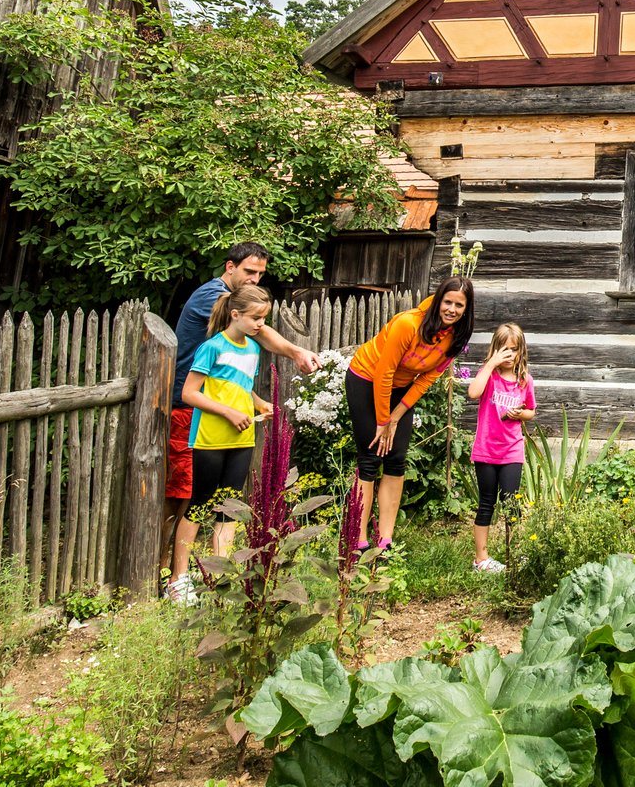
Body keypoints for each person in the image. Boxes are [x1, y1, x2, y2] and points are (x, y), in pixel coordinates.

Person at [164, 242, 318, 583]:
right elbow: (258, 335)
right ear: (229, 266)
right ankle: (172, 575)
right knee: (187, 496)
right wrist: (294, 351)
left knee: (222, 501)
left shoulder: (244, 340)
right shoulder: (215, 301)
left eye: (261, 274)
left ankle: (214, 576)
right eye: (249, 271)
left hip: (230, 422)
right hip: (192, 409)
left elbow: (236, 372)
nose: (254, 279)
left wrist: (256, 401)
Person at [344, 276, 474, 553]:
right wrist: (382, 421)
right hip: (367, 378)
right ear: (439, 300)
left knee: (396, 459)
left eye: (458, 305)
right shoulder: (408, 324)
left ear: (466, 309)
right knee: (370, 457)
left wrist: (396, 416)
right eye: (447, 302)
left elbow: (426, 379)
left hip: (402, 389)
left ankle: (385, 541)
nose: (451, 309)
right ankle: (358, 540)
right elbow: (384, 373)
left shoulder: (456, 335)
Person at [169, 283, 277, 599]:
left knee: (228, 507)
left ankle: (219, 577)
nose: (261, 325)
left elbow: (238, 386)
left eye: (264, 318)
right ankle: (179, 580)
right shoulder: (212, 347)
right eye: (256, 318)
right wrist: (229, 412)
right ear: (235, 314)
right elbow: (190, 393)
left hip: (242, 438)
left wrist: (258, 403)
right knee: (199, 504)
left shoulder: (253, 349)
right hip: (210, 438)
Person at [466, 323, 535, 572]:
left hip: (512, 450)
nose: (509, 355)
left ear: (521, 351)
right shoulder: (490, 377)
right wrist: (491, 364)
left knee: (511, 502)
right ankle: (481, 559)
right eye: (503, 349)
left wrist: (520, 414)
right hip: (486, 450)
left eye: (513, 350)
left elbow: (531, 411)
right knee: (487, 502)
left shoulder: (524, 380)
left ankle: (513, 553)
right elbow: (473, 393)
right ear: (495, 350)